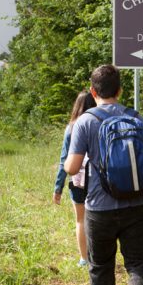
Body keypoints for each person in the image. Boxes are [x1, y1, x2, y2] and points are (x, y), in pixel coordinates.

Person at [64, 64, 143, 285]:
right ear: (120, 90)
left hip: (99, 207)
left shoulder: (85, 121)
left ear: (93, 91)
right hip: (137, 205)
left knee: (101, 265)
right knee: (139, 262)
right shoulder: (137, 118)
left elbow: (72, 167)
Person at [53, 91, 96, 267]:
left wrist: (58, 187)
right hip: (97, 179)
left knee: (81, 219)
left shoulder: (71, 127)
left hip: (78, 178)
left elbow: (64, 160)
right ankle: (97, 256)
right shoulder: (98, 123)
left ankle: (84, 259)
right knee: (98, 218)